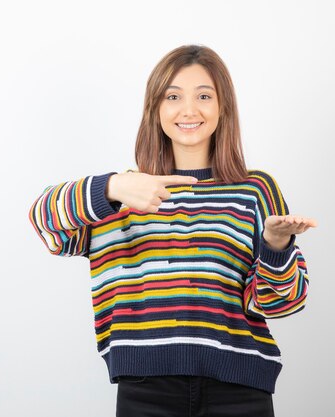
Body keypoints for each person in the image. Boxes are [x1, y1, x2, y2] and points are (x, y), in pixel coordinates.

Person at [28, 44, 317, 417]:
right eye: (173, 96)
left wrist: (276, 246)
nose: (189, 109)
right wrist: (112, 187)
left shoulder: (254, 190)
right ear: (156, 109)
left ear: (222, 106)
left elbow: (283, 303)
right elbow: (44, 222)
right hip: (146, 393)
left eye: (204, 96)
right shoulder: (123, 193)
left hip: (239, 392)